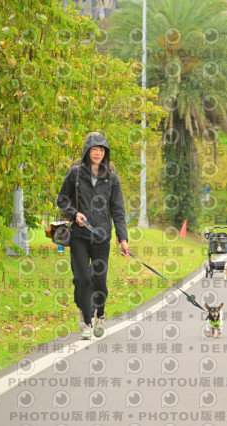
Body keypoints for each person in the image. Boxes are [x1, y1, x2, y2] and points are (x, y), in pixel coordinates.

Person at [57, 132, 130, 340]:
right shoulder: (75, 173)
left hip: (102, 237)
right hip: (79, 235)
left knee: (99, 281)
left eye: (101, 150)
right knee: (83, 279)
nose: (98, 153)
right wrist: (75, 214)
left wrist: (123, 239)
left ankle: (101, 314)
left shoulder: (111, 178)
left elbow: (118, 209)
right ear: (87, 151)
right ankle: (87, 321)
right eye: (94, 149)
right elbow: (62, 200)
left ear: (105, 153)